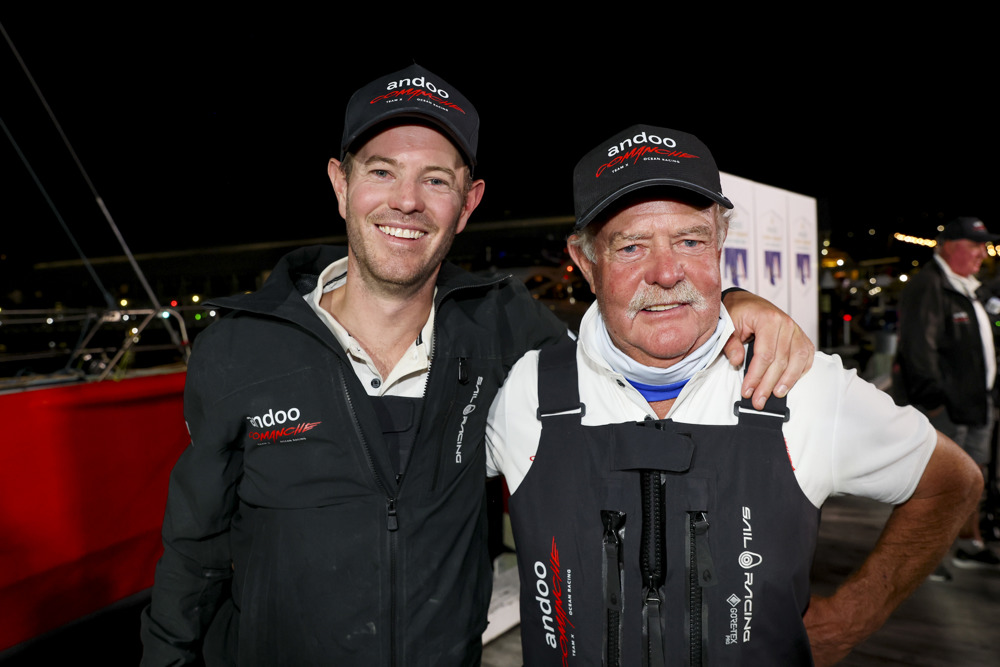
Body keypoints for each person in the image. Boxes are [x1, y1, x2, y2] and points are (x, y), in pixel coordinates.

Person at [139, 69, 813, 667]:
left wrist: (732, 300)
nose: (406, 200)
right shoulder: (239, 347)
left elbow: (624, 343)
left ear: (468, 203)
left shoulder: (503, 327)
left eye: (435, 180)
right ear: (340, 185)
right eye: (381, 171)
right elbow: (193, 549)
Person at [486, 124, 983, 666]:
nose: (667, 271)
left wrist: (848, 620)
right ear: (585, 263)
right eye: (630, 246)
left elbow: (952, 481)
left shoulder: (798, 380)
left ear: (720, 246)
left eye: (691, 241)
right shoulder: (524, 391)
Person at [896, 217, 1000, 570]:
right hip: (947, 409)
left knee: (973, 480)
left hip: (975, 405)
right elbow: (917, 352)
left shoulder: (968, 286)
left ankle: (968, 544)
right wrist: (936, 403)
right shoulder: (929, 286)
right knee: (937, 483)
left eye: (983, 246)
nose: (981, 254)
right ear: (948, 246)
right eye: (973, 246)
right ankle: (927, 560)